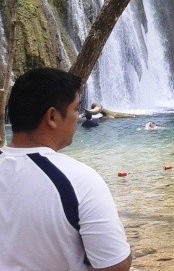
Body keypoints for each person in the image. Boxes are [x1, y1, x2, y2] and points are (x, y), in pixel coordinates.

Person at [0, 67, 132, 271]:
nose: (78, 117)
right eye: (76, 109)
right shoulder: (79, 180)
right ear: (52, 117)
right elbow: (116, 266)